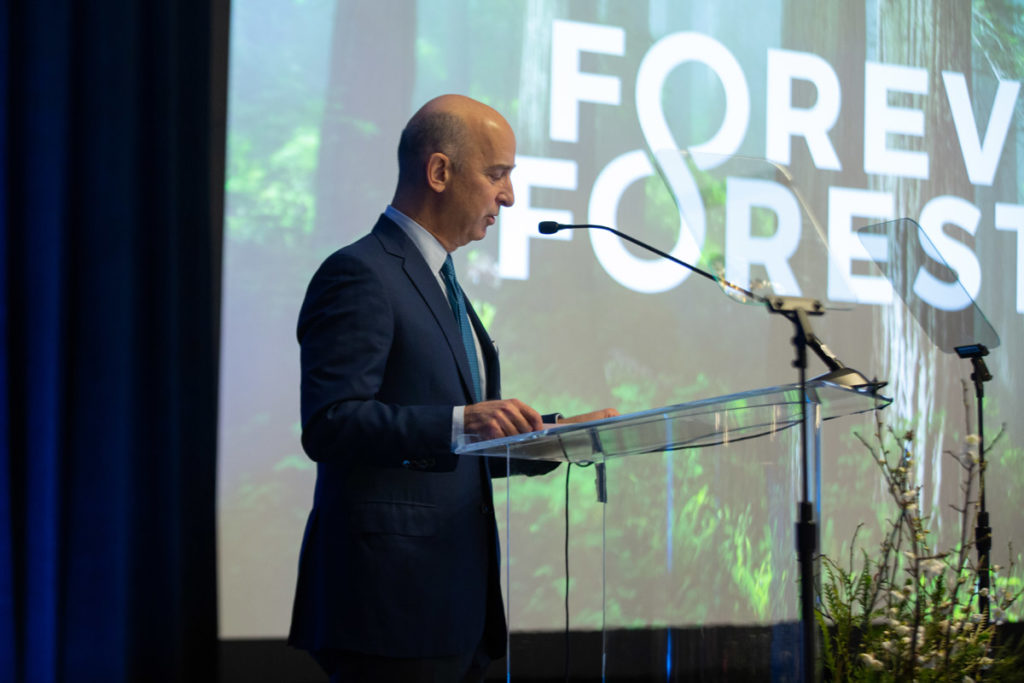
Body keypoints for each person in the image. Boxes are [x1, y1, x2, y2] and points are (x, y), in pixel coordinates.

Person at [287, 94, 617, 682]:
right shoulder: (361, 273)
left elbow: (456, 449)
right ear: (439, 172)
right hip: (390, 609)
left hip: (454, 606)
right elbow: (331, 423)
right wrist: (463, 420)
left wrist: (552, 437)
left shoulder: (443, 281)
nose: (509, 197)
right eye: (498, 175)